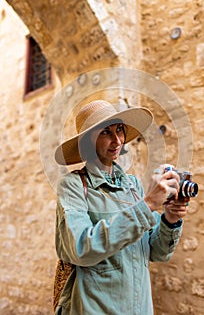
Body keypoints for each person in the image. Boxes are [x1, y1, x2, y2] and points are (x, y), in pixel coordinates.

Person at [54, 99, 189, 315]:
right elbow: (80, 248)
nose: (117, 140)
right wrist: (148, 205)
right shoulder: (73, 186)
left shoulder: (132, 185)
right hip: (95, 308)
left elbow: (157, 252)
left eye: (119, 130)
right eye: (105, 132)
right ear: (87, 143)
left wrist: (170, 220)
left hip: (140, 308)